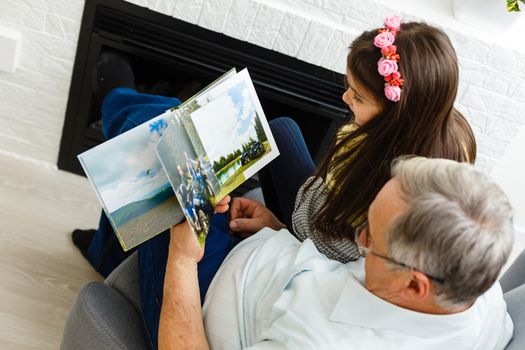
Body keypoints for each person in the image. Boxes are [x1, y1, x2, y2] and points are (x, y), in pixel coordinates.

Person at [72, 16, 477, 348]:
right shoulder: (436, 135)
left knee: (159, 142)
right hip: (287, 246)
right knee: (270, 130)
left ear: (397, 114)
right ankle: (135, 110)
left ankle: (119, 98)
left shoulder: (389, 204)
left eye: (357, 96)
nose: (344, 101)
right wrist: (278, 228)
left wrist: (188, 254)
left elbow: (340, 255)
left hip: (263, 266)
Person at [159, 156, 514, 349]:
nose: (359, 240)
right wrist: (279, 233)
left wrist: (182, 258)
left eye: (370, 238)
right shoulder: (484, 293)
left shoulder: (319, 343)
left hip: (206, 292)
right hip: (271, 258)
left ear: (415, 286)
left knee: (155, 146)